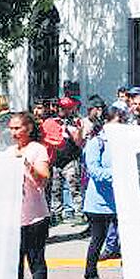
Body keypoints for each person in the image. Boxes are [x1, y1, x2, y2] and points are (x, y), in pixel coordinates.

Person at [8, 112, 51, 279]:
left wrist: (28, 166)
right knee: (14, 263)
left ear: (29, 129)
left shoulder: (37, 149)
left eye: (18, 128)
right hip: (13, 218)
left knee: (35, 261)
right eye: (11, 128)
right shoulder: (8, 151)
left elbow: (43, 179)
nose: (14, 133)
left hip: (35, 217)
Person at [82, 105, 127, 279]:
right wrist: (119, 173)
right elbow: (94, 171)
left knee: (126, 239)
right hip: (99, 202)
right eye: (118, 121)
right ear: (108, 122)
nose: (121, 125)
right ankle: (90, 275)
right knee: (98, 239)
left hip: (121, 200)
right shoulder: (96, 142)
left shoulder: (123, 142)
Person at [47, 97, 85, 226]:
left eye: (66, 108)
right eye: (61, 108)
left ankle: (79, 212)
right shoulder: (51, 122)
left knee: (74, 187)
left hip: (70, 158)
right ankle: (57, 213)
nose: (62, 110)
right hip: (56, 159)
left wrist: (72, 128)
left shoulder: (75, 122)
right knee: (55, 188)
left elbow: (79, 142)